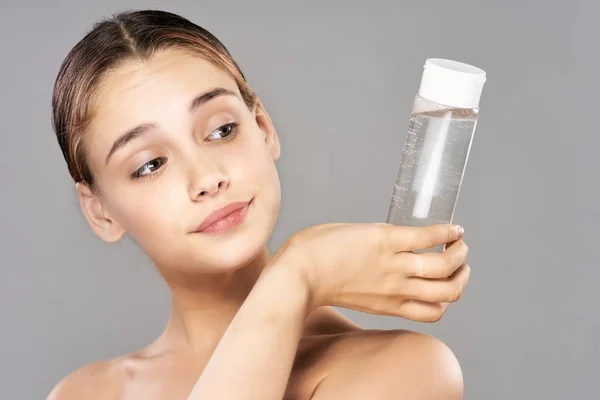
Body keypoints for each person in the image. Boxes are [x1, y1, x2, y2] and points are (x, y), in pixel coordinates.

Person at [47, 9, 471, 400]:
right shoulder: (83, 393)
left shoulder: (402, 372)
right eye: (151, 164)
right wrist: (296, 273)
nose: (207, 178)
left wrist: (296, 276)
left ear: (264, 127)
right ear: (100, 211)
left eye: (222, 129)